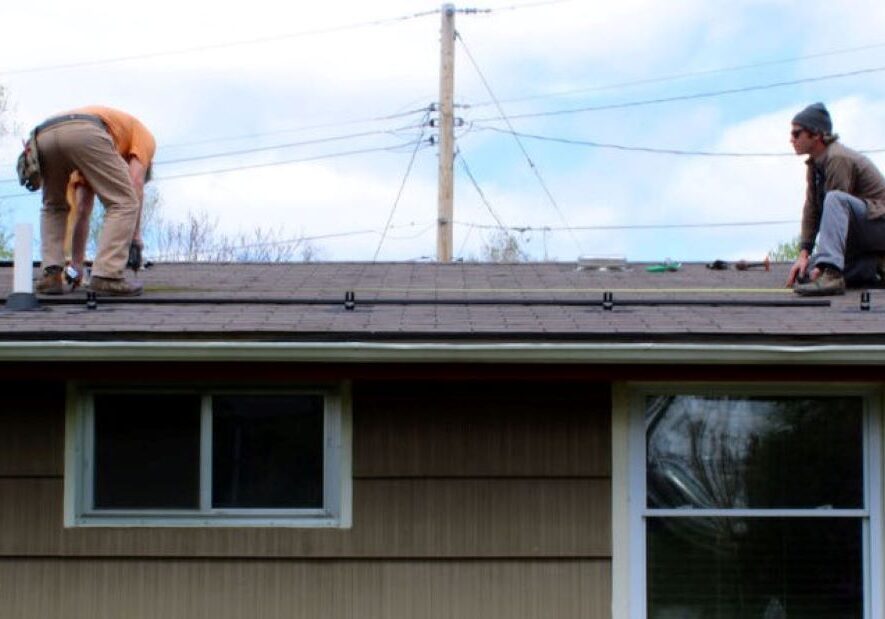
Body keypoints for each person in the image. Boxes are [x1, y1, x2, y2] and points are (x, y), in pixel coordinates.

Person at [34, 106, 155, 296]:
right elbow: (135, 184)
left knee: (54, 206)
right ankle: (107, 276)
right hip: (85, 132)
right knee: (124, 202)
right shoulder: (144, 136)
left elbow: (83, 209)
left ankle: (52, 276)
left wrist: (77, 264)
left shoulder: (95, 156)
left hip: (44, 134)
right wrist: (135, 237)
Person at [786, 102, 885, 296]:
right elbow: (812, 210)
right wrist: (804, 255)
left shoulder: (837, 158)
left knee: (834, 200)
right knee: (808, 271)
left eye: (797, 134)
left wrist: (826, 267)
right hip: (864, 233)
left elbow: (835, 217)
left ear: (816, 134)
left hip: (879, 223)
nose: (791, 139)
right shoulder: (815, 165)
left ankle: (832, 276)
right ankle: (875, 267)